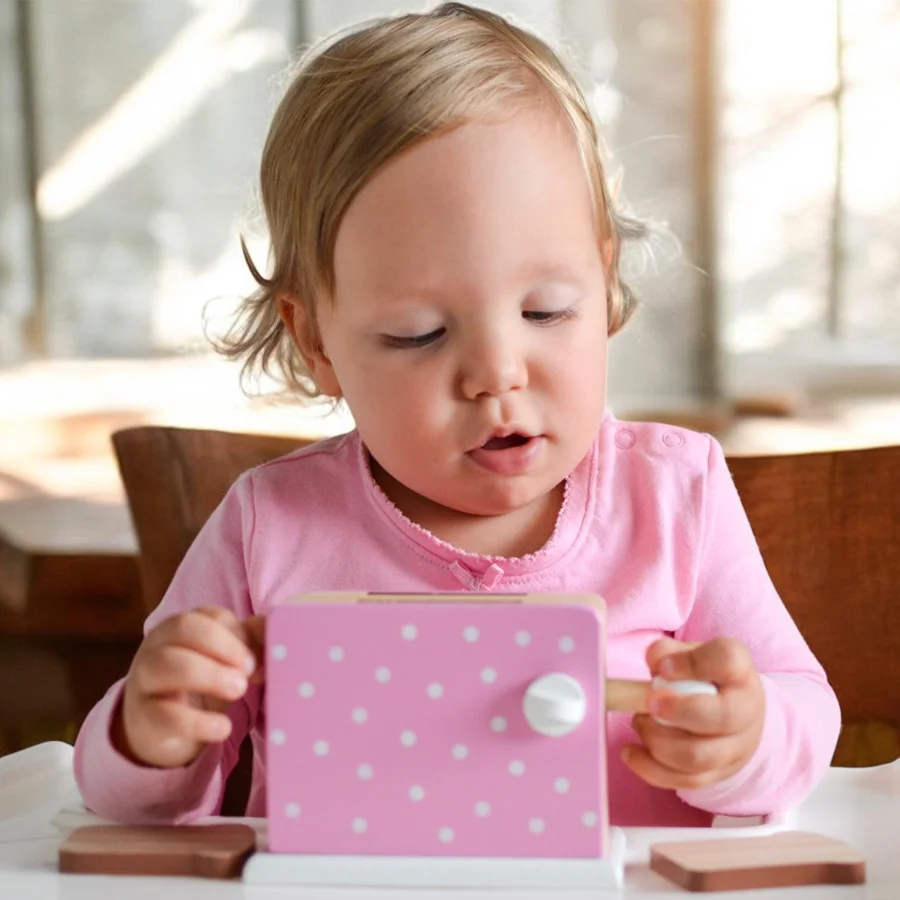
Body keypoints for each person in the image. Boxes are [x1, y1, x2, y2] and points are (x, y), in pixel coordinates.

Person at [74, 2, 840, 828]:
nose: (496, 374)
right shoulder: (270, 527)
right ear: (318, 343)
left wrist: (747, 738)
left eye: (547, 310)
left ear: (604, 278)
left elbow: (804, 712)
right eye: (419, 334)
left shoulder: (674, 496)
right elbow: (136, 809)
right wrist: (149, 736)